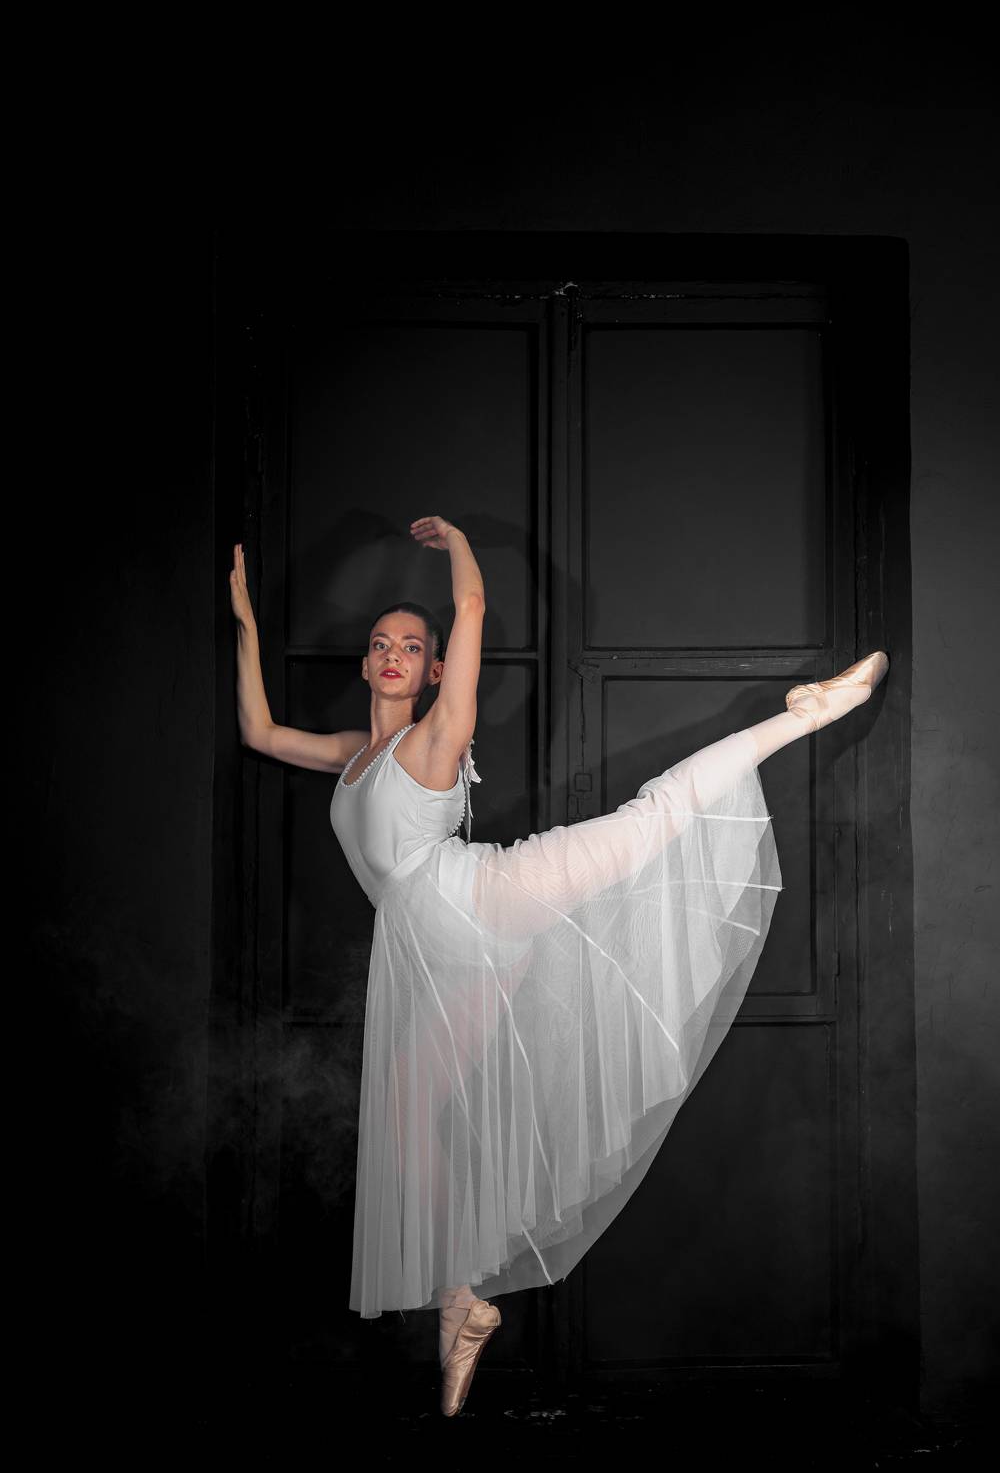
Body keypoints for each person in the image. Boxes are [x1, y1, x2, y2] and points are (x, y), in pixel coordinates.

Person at [230, 518, 889, 1417]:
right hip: (434, 958)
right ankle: (461, 1305)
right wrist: (246, 625)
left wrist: (460, 540)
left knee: (649, 821)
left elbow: (471, 602)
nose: (392, 656)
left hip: (482, 901)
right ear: (365, 663)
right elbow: (262, 732)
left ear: (434, 671)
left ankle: (807, 711)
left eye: (412, 648)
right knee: (415, 1122)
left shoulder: (437, 736)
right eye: (381, 644)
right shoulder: (356, 755)